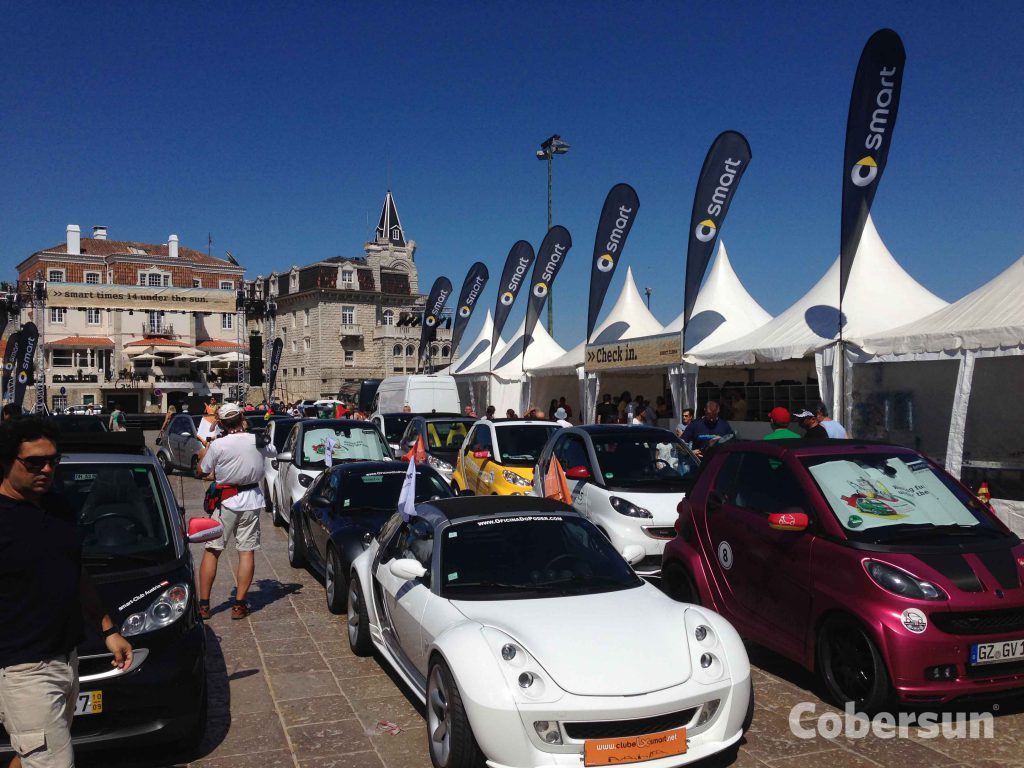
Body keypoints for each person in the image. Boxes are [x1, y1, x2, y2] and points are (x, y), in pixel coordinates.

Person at [0, 417, 133, 768]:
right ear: (7, 461)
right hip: (22, 669)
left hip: (66, 659)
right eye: (34, 462)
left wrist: (108, 629)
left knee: (33, 754)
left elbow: (75, 571)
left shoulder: (58, 507)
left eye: (53, 461)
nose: (46, 469)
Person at [196, 403, 278, 620]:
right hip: (251, 501)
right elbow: (273, 451)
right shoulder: (257, 440)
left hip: (226, 501)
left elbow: (202, 470)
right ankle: (239, 605)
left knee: (213, 550)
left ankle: (204, 605)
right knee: (246, 551)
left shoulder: (219, 445)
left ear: (222, 423)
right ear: (242, 417)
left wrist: (206, 447)